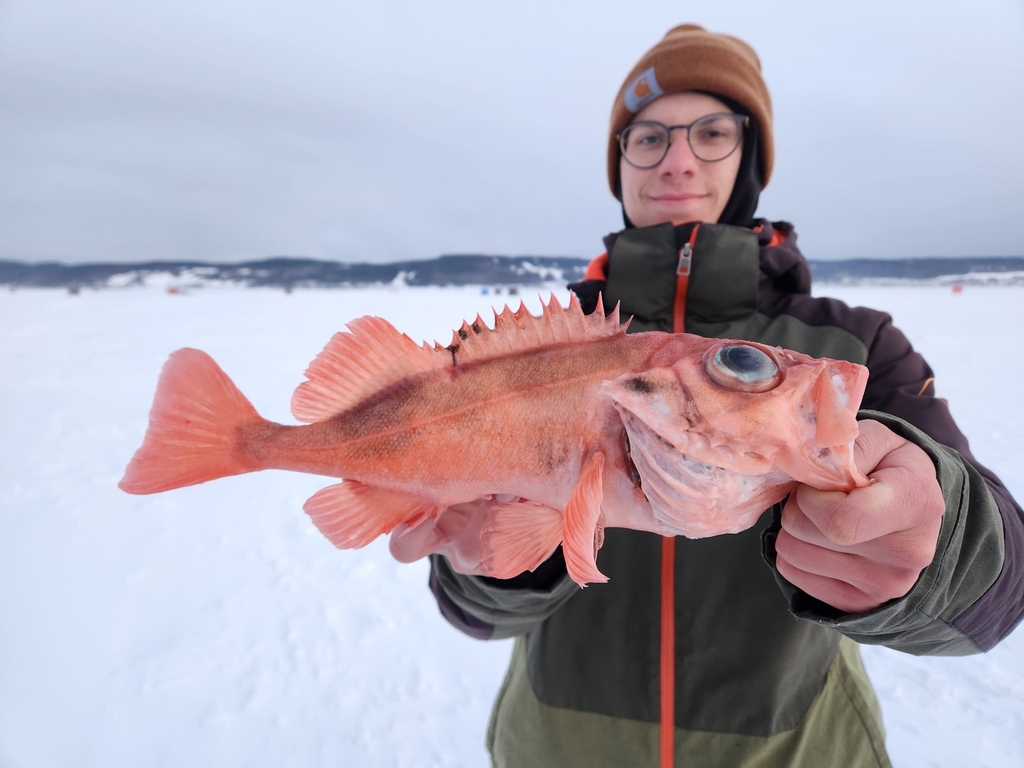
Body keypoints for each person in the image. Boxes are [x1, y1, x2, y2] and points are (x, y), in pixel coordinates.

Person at [417, 24, 1024, 767]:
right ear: (620, 164)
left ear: (749, 160)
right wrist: (495, 564)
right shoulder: (545, 346)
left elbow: (997, 601)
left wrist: (936, 547)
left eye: (711, 133)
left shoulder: (851, 349)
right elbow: (474, 611)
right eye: (646, 138)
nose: (676, 160)